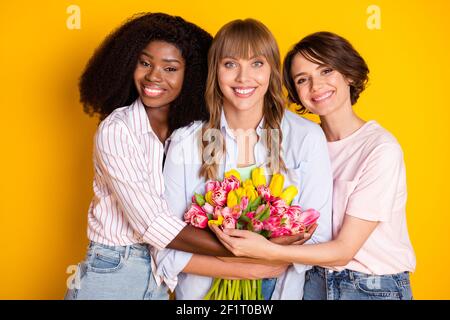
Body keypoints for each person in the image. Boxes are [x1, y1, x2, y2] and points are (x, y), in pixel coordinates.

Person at [65, 12, 285, 300]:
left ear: (190, 74)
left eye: (170, 68)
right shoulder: (117, 130)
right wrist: (253, 250)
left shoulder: (188, 132)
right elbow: (154, 225)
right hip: (114, 269)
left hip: (161, 276)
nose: (154, 76)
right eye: (145, 63)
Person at [210, 31, 416, 300]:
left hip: (369, 286)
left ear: (349, 75)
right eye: (302, 80)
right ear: (295, 92)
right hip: (312, 281)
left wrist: (267, 252)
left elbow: (344, 250)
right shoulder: (300, 140)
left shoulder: (379, 148)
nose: (316, 86)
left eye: (326, 71)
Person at [157, 19, 333, 300]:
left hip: (280, 293)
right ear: (214, 71)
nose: (243, 77)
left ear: (273, 69)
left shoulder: (306, 137)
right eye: (230, 64)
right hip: (201, 296)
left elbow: (317, 236)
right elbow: (165, 246)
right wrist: (248, 269)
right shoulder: (186, 140)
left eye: (256, 63)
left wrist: (259, 253)